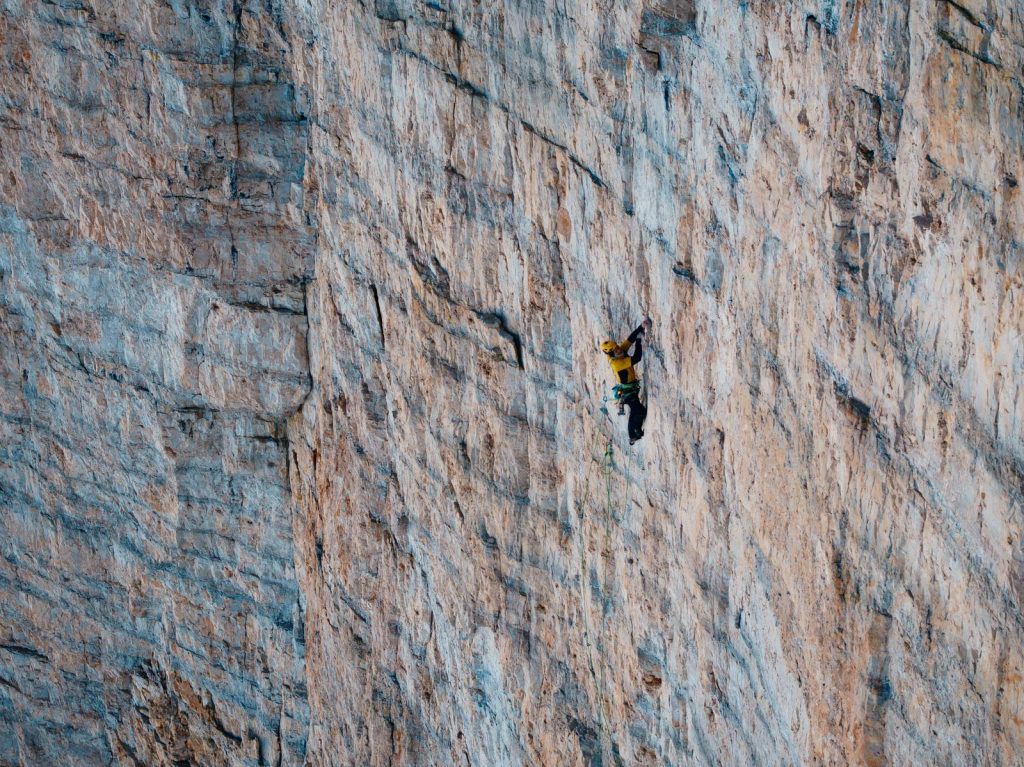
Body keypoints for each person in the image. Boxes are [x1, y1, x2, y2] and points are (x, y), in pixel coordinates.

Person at [601, 317, 652, 444]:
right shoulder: (616, 363)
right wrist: (639, 341)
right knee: (638, 411)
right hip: (628, 392)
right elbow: (637, 358)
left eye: (617, 347)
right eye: (615, 350)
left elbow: (629, 340)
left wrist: (641, 327)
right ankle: (633, 434)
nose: (619, 349)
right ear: (611, 354)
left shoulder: (619, 352)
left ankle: (634, 433)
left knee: (638, 411)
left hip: (629, 389)